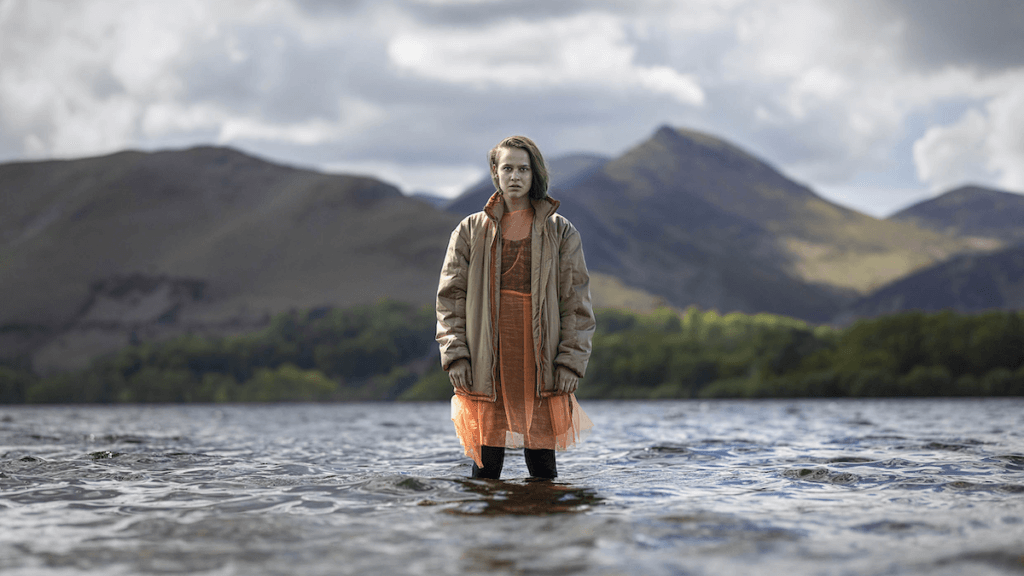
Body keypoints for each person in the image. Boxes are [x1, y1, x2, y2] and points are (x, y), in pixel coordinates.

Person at [436, 135, 595, 480]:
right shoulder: (468, 231)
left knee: (543, 470)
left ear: (534, 174)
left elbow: (577, 305)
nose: (515, 176)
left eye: (523, 168)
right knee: (485, 469)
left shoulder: (562, 232)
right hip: (485, 357)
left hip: (540, 358)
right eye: (507, 168)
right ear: (495, 172)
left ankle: (543, 530)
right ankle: (488, 531)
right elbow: (449, 300)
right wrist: (456, 354)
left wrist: (571, 362)